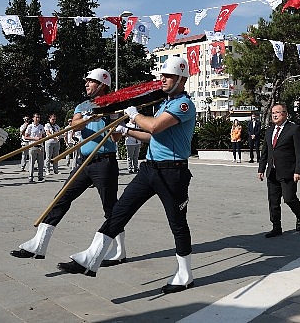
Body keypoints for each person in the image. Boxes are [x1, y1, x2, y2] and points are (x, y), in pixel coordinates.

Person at [56, 58, 196, 295]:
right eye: (162, 76)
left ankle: (185, 274)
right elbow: (153, 138)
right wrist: (127, 130)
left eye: (168, 76)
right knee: (120, 210)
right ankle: (92, 255)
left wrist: (134, 115)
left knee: (177, 223)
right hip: (150, 168)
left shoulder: (183, 105)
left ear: (182, 79)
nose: (162, 80)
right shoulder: (164, 104)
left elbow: (154, 127)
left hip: (173, 172)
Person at [11, 68, 127, 269]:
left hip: (104, 162)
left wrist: (114, 124)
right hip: (84, 161)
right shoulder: (82, 106)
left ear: (102, 84)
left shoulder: (114, 106)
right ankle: (39, 243)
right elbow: (75, 127)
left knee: (110, 207)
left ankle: (119, 250)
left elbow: (116, 138)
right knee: (61, 197)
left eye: (90, 82)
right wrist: (89, 117)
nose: (86, 85)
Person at [257, 102, 300, 238]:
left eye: (277, 113)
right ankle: (276, 227)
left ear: (285, 114)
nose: (274, 115)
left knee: (289, 198)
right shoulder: (269, 130)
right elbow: (265, 152)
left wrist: (298, 171)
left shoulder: (294, 129)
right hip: (272, 172)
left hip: (288, 171)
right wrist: (261, 169)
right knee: (273, 201)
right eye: (273, 113)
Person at [24, 113, 45, 183]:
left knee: (41, 163)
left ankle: (40, 176)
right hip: (33, 146)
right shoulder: (30, 126)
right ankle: (30, 176)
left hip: (40, 146)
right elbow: (25, 136)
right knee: (31, 163)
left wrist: (42, 137)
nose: (38, 119)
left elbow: (44, 135)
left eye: (39, 117)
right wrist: (34, 138)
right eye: (36, 117)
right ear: (33, 118)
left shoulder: (41, 126)